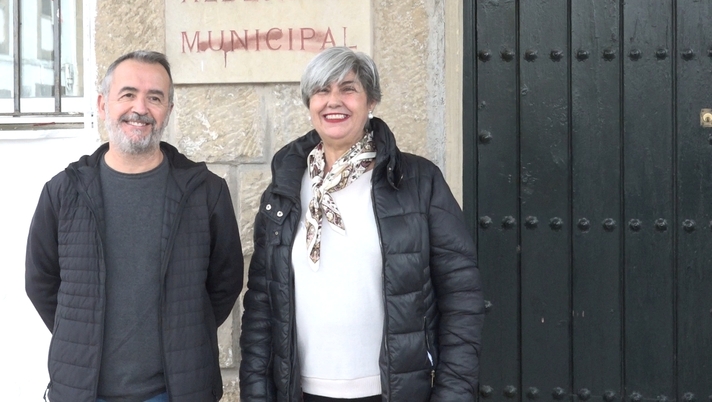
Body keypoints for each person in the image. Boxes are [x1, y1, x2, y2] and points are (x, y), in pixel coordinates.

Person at [239, 47, 483, 402]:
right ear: (310, 103)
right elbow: (262, 302)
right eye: (322, 90)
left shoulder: (419, 182)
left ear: (371, 101)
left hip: (393, 392)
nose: (333, 101)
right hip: (300, 392)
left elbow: (462, 296)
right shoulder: (284, 189)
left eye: (348, 89)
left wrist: (453, 394)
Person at [26, 50, 244, 402]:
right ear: (102, 104)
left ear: (168, 111)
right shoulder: (64, 192)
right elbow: (41, 283)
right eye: (127, 94)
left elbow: (225, 283)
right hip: (83, 393)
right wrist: (82, 331)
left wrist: (185, 332)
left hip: (175, 393)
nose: (140, 108)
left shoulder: (205, 192)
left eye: (154, 97)